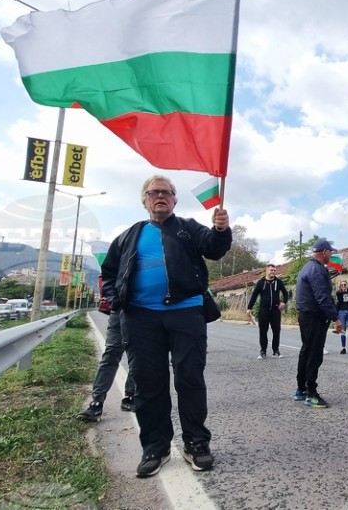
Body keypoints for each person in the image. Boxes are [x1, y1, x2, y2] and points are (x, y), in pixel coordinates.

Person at [100, 174, 231, 478]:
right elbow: (109, 272)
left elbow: (213, 248)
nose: (160, 196)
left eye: (166, 192)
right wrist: (115, 300)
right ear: (144, 200)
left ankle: (196, 443)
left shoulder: (188, 228)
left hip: (186, 312)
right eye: (153, 192)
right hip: (140, 316)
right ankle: (155, 447)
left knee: (190, 379)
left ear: (174, 199)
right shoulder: (130, 235)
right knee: (148, 382)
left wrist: (221, 229)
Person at [294, 239, 343, 408]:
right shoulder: (317, 270)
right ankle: (311, 393)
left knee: (306, 351)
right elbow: (322, 298)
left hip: (305, 315)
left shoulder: (307, 267)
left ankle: (300, 389)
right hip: (314, 317)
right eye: (330, 252)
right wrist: (335, 318)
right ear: (324, 252)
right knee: (314, 354)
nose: (331, 255)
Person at [76, 308, 137, 421]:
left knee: (138, 357)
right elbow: (107, 289)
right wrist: (114, 299)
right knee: (111, 355)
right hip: (120, 311)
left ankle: (130, 397)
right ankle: (96, 403)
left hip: (143, 314)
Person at [247, 264, 289, 359]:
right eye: (271, 270)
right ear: (267, 270)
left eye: (274, 270)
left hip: (275, 311)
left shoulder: (278, 282)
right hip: (263, 311)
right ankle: (263, 351)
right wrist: (249, 308)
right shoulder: (261, 282)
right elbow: (254, 296)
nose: (273, 272)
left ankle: (276, 351)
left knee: (276, 331)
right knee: (263, 332)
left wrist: (284, 302)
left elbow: (285, 293)